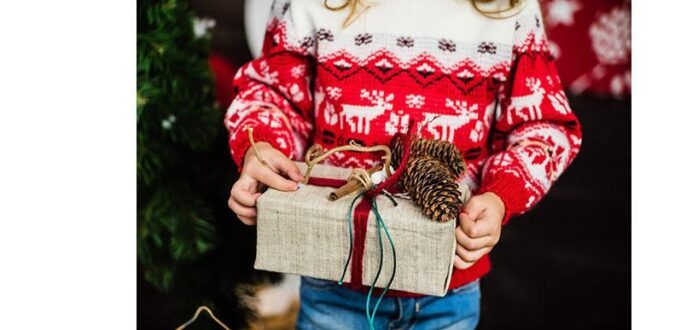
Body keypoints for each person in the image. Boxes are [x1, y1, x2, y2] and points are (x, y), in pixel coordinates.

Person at [224, 0, 581, 328]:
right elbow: (272, 96)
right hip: (333, 278)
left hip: (446, 290)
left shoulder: (508, 11)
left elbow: (542, 127)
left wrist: (501, 195)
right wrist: (262, 148)